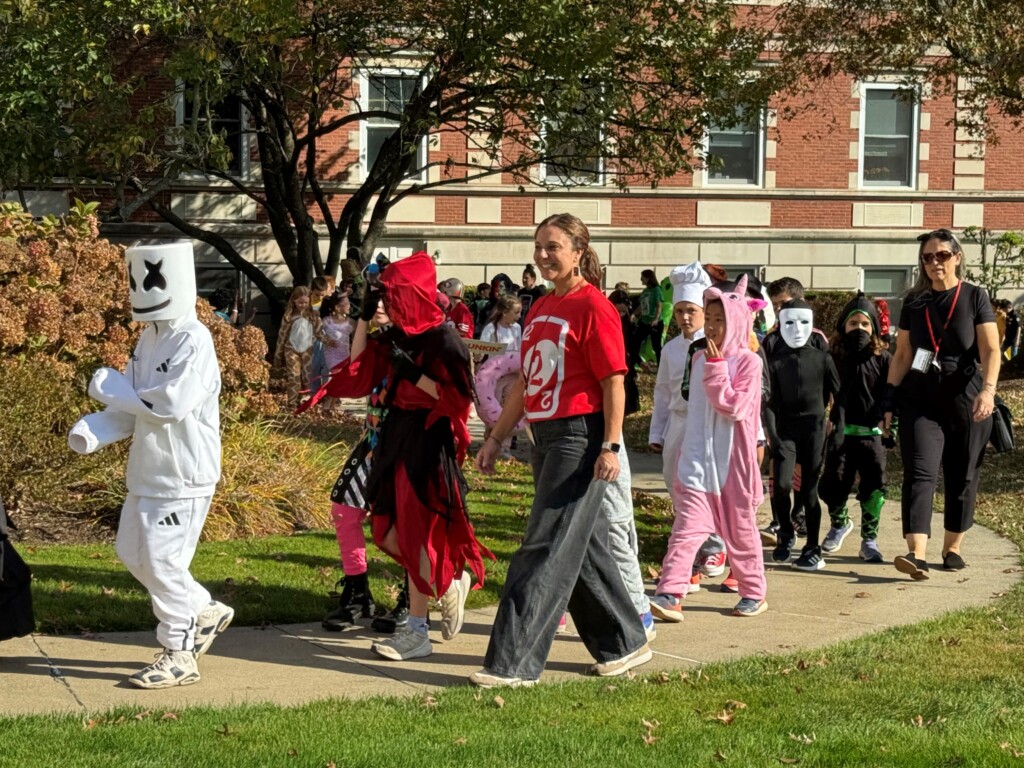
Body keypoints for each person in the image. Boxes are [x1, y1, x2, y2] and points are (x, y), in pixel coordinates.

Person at [472, 213, 651, 688]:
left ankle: (511, 664)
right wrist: (494, 438)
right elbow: (527, 383)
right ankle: (625, 642)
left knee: (545, 544)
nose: (544, 255)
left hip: (580, 434)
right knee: (581, 545)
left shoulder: (594, 307)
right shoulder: (540, 307)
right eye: (538, 246)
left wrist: (611, 445)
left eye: (553, 246)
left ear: (578, 251)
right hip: (544, 435)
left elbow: (614, 380)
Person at [300, 252, 492, 660]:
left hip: (425, 439)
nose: (388, 303)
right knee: (390, 532)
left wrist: (413, 374)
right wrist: (366, 320)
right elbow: (356, 369)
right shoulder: (400, 336)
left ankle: (418, 630)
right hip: (392, 436)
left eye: (392, 296)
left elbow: (457, 401)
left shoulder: (444, 340)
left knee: (416, 535)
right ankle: (446, 579)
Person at [68, 242, 232, 689]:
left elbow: (170, 404)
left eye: (154, 279)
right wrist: (95, 428)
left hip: (184, 472)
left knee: (161, 560)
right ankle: (200, 608)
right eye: (139, 280)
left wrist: (113, 390)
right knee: (131, 551)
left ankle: (180, 652)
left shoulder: (195, 339)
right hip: (149, 468)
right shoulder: (150, 336)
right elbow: (135, 404)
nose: (145, 290)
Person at [648, 276, 768, 622]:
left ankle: (754, 592)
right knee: (685, 530)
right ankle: (670, 593)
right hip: (698, 464)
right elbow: (692, 408)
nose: (713, 328)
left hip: (734, 467)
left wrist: (717, 370)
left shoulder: (749, 362)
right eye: (710, 319)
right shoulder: (697, 358)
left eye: (720, 321)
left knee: (740, 534)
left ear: (738, 323)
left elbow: (735, 407)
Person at [883, 229, 1000, 580]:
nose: (935, 262)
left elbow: (991, 349)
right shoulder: (915, 303)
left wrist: (989, 391)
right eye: (928, 257)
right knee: (919, 472)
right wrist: (889, 399)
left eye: (942, 256)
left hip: (966, 395)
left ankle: (952, 547)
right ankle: (915, 554)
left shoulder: (975, 297)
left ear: (957, 257)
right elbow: (903, 354)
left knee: (962, 474)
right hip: (920, 397)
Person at [648, 263, 725, 592]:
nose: (685, 318)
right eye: (679, 311)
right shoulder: (670, 349)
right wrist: (657, 432)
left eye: (691, 310)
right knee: (677, 486)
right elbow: (663, 391)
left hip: (707, 425)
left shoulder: (715, 346)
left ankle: (714, 545)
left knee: (706, 486)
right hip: (679, 424)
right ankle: (690, 556)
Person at [765, 298, 840, 569]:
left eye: (804, 322)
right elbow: (769, 402)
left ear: (813, 325)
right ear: (780, 324)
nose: (797, 329)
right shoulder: (773, 362)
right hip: (784, 431)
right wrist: (773, 435)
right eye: (790, 323)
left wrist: (836, 427)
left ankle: (813, 546)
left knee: (809, 492)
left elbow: (838, 395)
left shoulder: (823, 359)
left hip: (814, 431)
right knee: (782, 485)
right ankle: (785, 531)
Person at [819, 293, 891, 564]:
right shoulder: (833, 356)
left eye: (864, 324)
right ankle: (839, 523)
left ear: (873, 327)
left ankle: (869, 539)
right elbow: (822, 392)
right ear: (843, 327)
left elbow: (891, 393)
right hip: (841, 432)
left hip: (871, 434)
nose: (858, 329)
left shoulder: (883, 357)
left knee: (873, 488)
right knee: (832, 485)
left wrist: (890, 427)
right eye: (853, 324)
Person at [273, 286, 323, 409]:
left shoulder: (313, 316)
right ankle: (292, 403)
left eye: (306, 302)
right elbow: (282, 336)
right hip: (291, 349)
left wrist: (329, 343)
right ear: (294, 301)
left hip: (308, 349)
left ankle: (307, 401)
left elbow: (319, 333)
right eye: (300, 302)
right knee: (294, 376)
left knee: (308, 377)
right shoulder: (289, 316)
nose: (303, 305)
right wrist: (278, 355)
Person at [631, 268, 663, 366]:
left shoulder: (656, 290)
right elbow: (642, 306)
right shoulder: (645, 291)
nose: (641, 279)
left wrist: (656, 319)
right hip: (644, 322)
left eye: (642, 277)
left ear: (648, 278)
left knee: (656, 346)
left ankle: (661, 366)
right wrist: (634, 314)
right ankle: (637, 363)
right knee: (634, 342)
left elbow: (659, 305)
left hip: (654, 323)